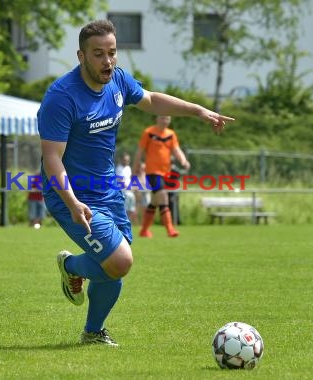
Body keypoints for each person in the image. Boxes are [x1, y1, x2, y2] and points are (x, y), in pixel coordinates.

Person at [37, 20, 233, 347]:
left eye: (112, 53)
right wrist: (72, 203)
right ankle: (71, 266)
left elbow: (152, 100)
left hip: (108, 192)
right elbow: (51, 157)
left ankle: (93, 331)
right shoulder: (62, 97)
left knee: (115, 265)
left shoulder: (119, 82)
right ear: (81, 56)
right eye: (98, 54)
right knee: (120, 260)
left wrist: (198, 111)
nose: (107, 61)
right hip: (69, 194)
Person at [133, 115, 190, 238]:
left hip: (166, 173)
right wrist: (135, 169)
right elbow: (140, 151)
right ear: (157, 119)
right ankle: (170, 229)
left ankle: (144, 230)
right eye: (163, 118)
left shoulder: (171, 134)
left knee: (154, 201)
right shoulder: (148, 132)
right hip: (152, 172)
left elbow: (176, 150)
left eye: (167, 118)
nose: (165, 120)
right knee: (163, 195)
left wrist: (184, 161)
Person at [115, 152, 137, 223]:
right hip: (123, 192)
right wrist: (131, 188)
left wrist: (134, 186)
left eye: (128, 160)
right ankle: (123, 225)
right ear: (122, 160)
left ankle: (127, 225)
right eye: (125, 160)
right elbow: (122, 182)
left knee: (131, 210)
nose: (126, 161)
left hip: (130, 192)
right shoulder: (119, 168)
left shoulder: (128, 168)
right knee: (125, 210)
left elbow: (129, 179)